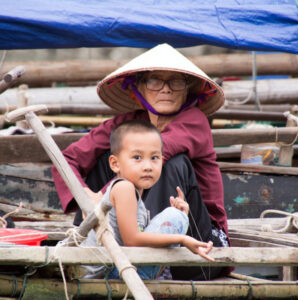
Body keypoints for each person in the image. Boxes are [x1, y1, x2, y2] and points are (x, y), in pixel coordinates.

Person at [52, 43, 231, 280]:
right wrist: (85, 197)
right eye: (155, 81)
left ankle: (144, 259)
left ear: (187, 90)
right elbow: (67, 159)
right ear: (138, 88)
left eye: (175, 82)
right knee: (110, 156)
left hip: (202, 246)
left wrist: (103, 202)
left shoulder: (194, 120)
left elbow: (160, 154)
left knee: (160, 161)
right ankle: (91, 247)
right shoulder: (126, 124)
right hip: (136, 238)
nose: (165, 89)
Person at [82, 119, 214, 280]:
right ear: (115, 164)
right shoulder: (124, 188)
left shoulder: (133, 191)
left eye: (154, 158)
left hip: (118, 265)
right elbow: (132, 239)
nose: (148, 166)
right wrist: (182, 238)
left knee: (176, 215)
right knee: (174, 217)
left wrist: (181, 216)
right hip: (110, 271)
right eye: (137, 157)